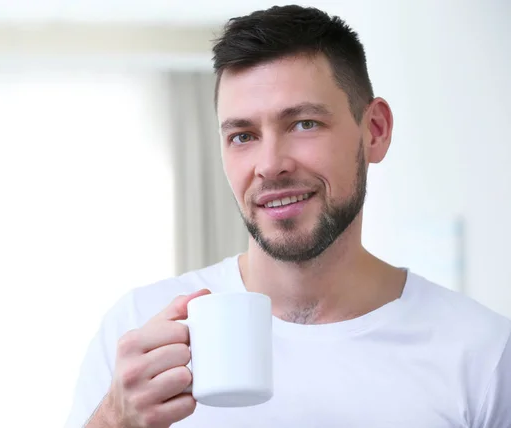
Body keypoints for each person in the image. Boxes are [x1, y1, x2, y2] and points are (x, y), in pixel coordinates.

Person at [65, 5, 511, 428]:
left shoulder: (482, 354)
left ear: (374, 131)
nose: (270, 164)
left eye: (304, 124)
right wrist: (114, 420)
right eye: (243, 135)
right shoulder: (138, 334)